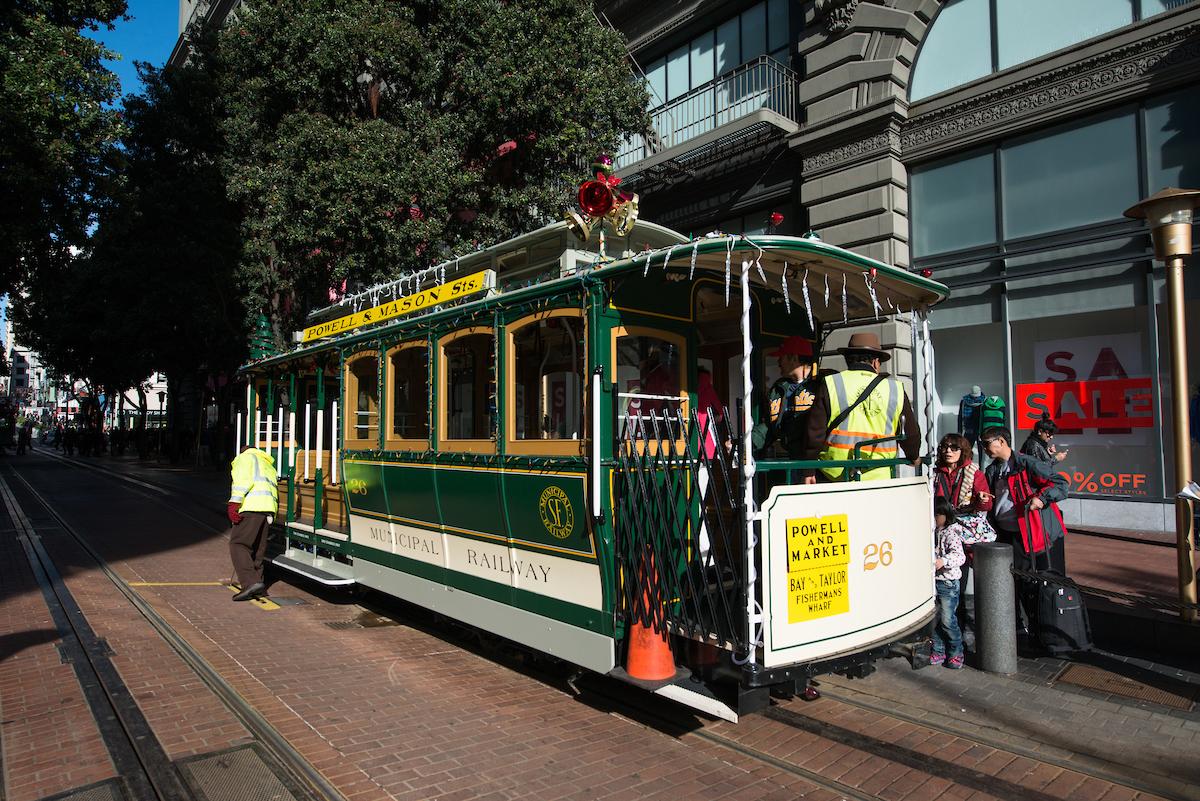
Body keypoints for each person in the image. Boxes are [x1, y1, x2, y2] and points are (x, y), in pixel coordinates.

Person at [803, 332, 921, 482]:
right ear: (876, 362)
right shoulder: (895, 389)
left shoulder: (831, 383)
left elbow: (814, 432)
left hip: (835, 476)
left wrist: (808, 469)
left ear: (848, 359)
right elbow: (910, 433)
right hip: (879, 477)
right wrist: (913, 456)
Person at [982, 425, 1069, 577]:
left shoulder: (1026, 463)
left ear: (1001, 441)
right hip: (1002, 533)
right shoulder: (992, 470)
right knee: (1008, 580)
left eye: (986, 443)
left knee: (1028, 579)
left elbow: (1060, 484)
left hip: (1028, 532)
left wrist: (1041, 498)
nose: (984, 448)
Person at [227, 443, 279, 601]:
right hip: (267, 509)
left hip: (251, 507)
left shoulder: (245, 458)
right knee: (257, 549)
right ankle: (259, 586)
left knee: (238, 544)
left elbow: (242, 482)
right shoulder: (266, 463)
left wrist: (234, 504)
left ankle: (250, 583)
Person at [753, 335, 818, 458]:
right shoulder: (779, 388)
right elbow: (769, 426)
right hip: (792, 459)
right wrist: (746, 443)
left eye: (781, 357)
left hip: (816, 463)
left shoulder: (820, 387)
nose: (778, 362)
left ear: (794, 358)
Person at [932, 498, 969, 669]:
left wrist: (944, 560)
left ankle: (956, 652)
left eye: (936, 515)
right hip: (936, 582)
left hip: (948, 583)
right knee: (937, 619)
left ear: (945, 515)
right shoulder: (935, 532)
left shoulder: (951, 533)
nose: (933, 518)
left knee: (948, 620)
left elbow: (960, 556)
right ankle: (939, 650)